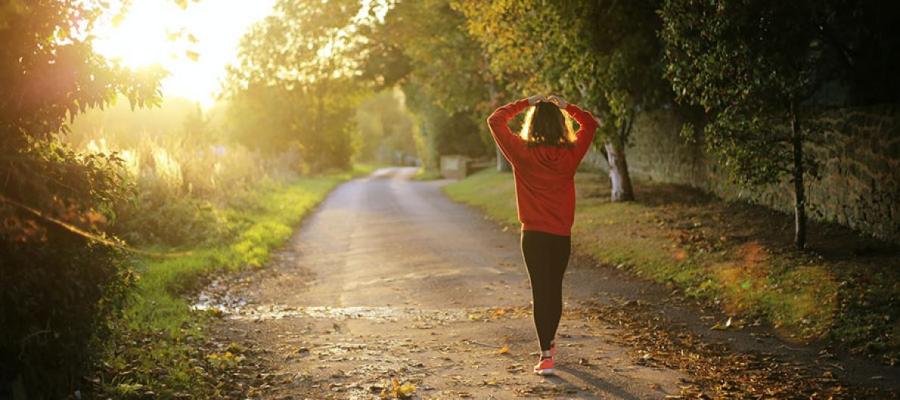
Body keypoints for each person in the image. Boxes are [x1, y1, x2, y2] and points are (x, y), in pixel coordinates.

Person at [486, 94, 598, 376]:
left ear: (532, 125)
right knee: (554, 289)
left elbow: (495, 120)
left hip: (533, 236)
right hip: (560, 236)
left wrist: (526, 102)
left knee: (541, 291)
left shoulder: (521, 152)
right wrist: (567, 107)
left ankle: (546, 354)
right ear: (561, 125)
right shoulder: (570, 154)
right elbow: (590, 124)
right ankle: (549, 341)